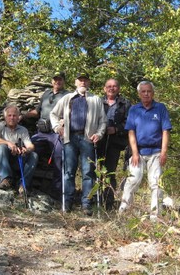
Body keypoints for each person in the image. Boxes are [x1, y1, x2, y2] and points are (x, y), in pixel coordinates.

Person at [50, 73, 107, 216]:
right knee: (69, 171)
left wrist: (99, 134)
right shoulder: (67, 98)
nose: (82, 82)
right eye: (80, 80)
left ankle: (86, 203)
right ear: (75, 82)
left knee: (88, 172)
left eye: (85, 80)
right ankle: (68, 202)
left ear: (88, 83)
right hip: (70, 138)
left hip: (88, 139)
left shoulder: (95, 99)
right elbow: (53, 114)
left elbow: (103, 121)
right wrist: (57, 128)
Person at [118, 81, 172, 219]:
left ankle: (155, 216)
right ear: (139, 93)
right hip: (138, 152)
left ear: (153, 93)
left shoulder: (160, 108)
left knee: (156, 184)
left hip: (156, 152)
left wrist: (164, 152)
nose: (146, 94)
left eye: (149, 91)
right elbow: (131, 132)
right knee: (132, 181)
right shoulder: (134, 110)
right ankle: (124, 212)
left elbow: (165, 131)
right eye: (143, 91)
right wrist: (135, 153)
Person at [21, 72, 70, 199]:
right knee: (27, 150)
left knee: (60, 156)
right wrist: (22, 115)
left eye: (60, 79)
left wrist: (65, 120)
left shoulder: (68, 95)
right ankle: (23, 184)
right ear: (52, 81)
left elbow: (71, 112)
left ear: (63, 81)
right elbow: (37, 112)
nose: (57, 82)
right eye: (55, 79)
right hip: (41, 132)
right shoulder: (46, 94)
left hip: (56, 133)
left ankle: (57, 190)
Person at [97, 78, 131, 210]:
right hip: (97, 140)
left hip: (115, 142)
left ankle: (108, 202)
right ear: (104, 88)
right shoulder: (97, 101)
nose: (112, 88)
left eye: (114, 86)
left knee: (109, 171)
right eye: (109, 86)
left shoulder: (125, 103)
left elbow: (129, 123)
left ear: (119, 89)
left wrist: (116, 129)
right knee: (94, 170)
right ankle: (94, 198)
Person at [0, 104, 38, 191]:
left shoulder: (23, 130)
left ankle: (23, 184)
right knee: (1, 147)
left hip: (16, 159)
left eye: (14, 115)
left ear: (18, 117)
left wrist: (26, 150)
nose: (12, 118)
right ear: (5, 117)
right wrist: (8, 143)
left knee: (34, 155)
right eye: (9, 115)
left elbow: (31, 146)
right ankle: (6, 179)